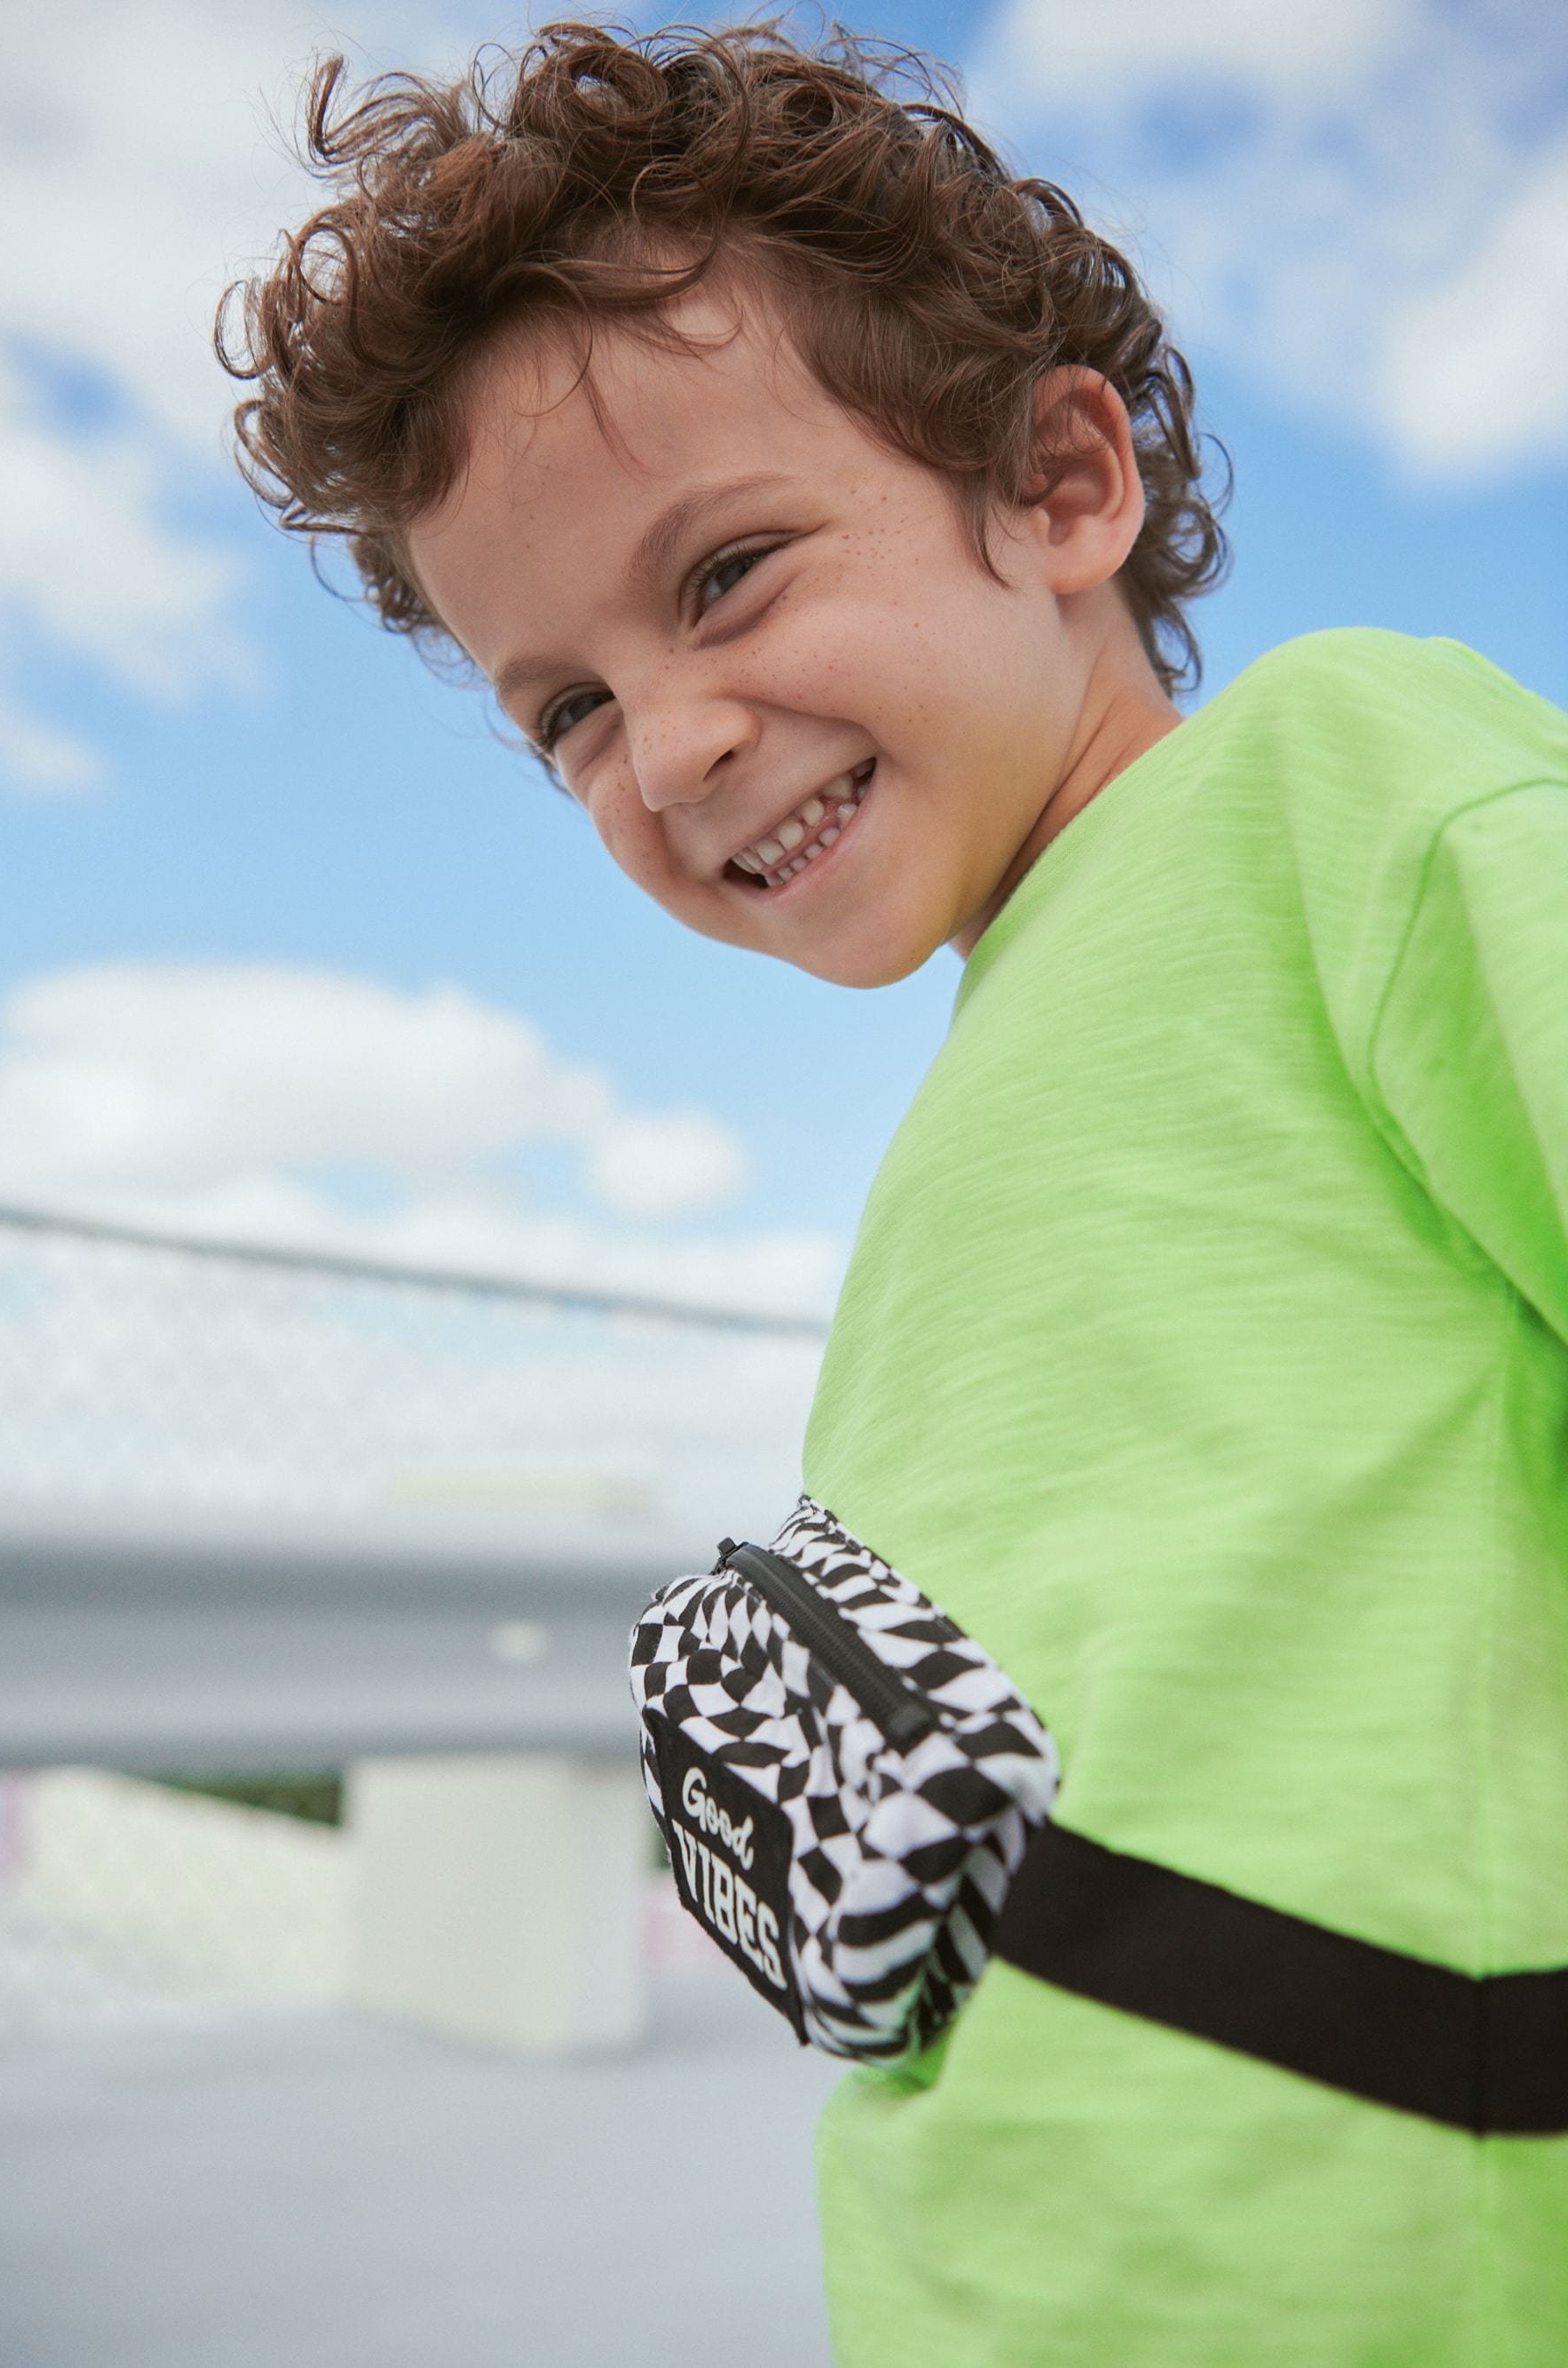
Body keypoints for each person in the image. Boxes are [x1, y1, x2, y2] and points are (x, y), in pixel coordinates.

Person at [218, 23, 1568, 2363]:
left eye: (726, 574)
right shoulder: (996, 1067)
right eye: (569, 712)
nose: (671, 746)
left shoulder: (1343, 788)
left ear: (1058, 488)